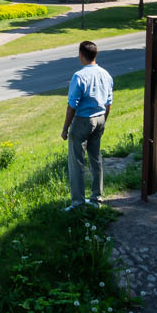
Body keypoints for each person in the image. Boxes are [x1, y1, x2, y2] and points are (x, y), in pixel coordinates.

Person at [61, 39, 112, 209]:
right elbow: (108, 102)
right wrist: (104, 120)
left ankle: (78, 203)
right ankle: (96, 199)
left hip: (83, 120)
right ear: (95, 55)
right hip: (100, 118)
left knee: (76, 162)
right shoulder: (106, 74)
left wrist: (65, 128)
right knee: (95, 159)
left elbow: (72, 105)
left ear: (81, 55)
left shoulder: (79, 76)